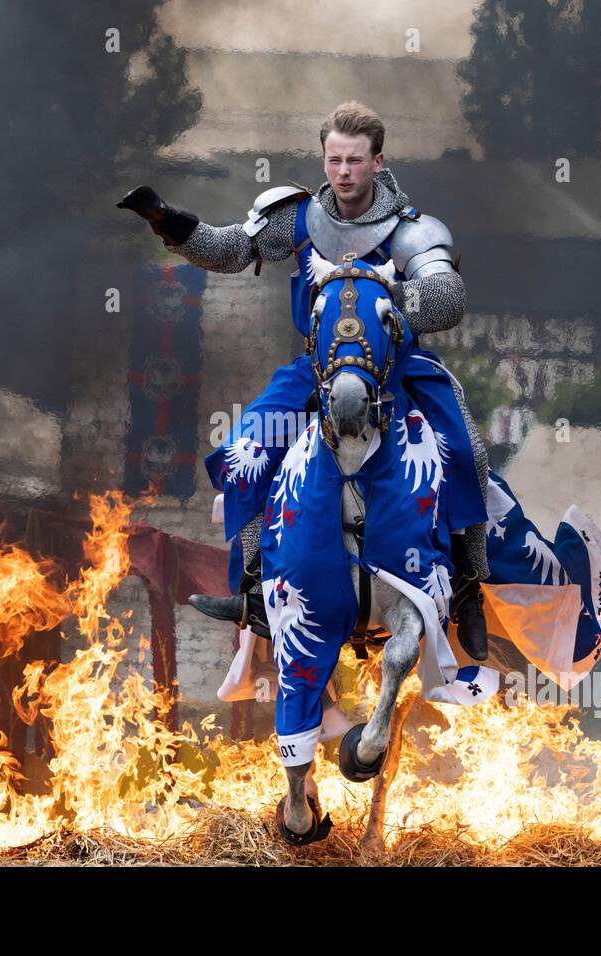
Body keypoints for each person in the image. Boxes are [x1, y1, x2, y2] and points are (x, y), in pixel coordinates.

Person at [118, 101, 492, 660]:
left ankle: (468, 587)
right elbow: (229, 249)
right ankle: (254, 591)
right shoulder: (297, 218)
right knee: (245, 450)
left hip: (396, 370)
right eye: (334, 160)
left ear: (378, 161)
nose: (342, 172)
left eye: (355, 161)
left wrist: (387, 302)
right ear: (323, 158)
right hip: (315, 371)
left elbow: (447, 296)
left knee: (468, 451)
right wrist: (165, 219)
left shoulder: (411, 230)